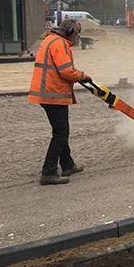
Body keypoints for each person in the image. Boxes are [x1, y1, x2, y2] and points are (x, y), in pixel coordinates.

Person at [28, 19, 90, 185]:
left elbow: (64, 68)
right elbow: (66, 71)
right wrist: (82, 76)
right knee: (61, 132)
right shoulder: (59, 44)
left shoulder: (51, 40)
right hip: (52, 94)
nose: (76, 37)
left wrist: (77, 74)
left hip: (48, 93)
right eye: (76, 34)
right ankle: (48, 172)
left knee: (61, 130)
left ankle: (67, 165)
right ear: (69, 31)